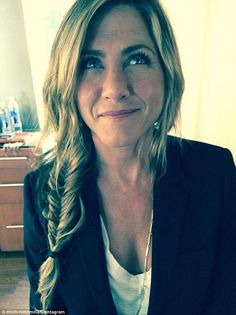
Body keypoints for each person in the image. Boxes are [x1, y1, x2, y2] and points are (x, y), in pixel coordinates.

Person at [23, 0, 236, 314]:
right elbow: (44, 307)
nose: (115, 88)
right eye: (90, 63)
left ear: (167, 70)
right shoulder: (42, 189)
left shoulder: (214, 172)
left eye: (137, 58)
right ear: (67, 81)